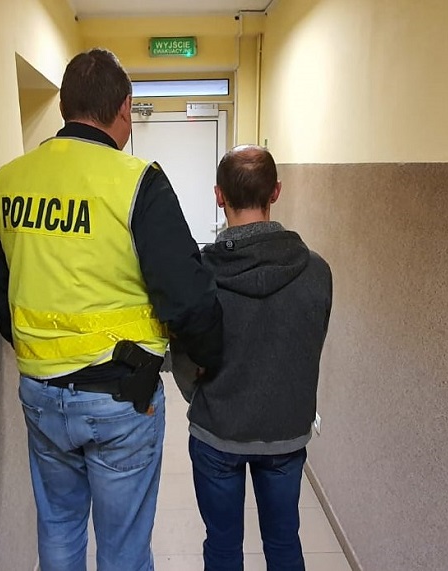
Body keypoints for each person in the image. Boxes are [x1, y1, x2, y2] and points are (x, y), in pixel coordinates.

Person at [0, 48, 223, 571]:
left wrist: (42, 353)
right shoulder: (137, 180)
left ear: (65, 106)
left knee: (59, 530)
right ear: (125, 108)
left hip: (41, 394)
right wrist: (207, 358)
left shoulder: (7, 182)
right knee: (123, 548)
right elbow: (187, 295)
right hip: (121, 399)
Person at [171, 145, 332, 571]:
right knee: (284, 543)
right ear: (275, 192)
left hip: (217, 431)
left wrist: (201, 394)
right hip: (285, 432)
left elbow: (184, 353)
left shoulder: (200, 276)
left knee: (223, 548)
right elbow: (310, 344)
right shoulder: (316, 271)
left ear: (218, 196)